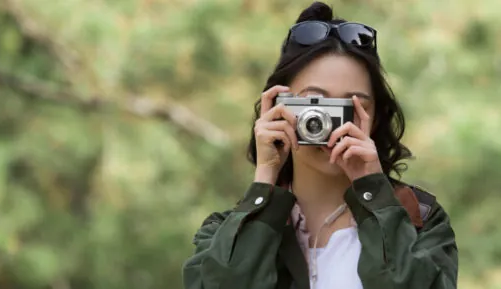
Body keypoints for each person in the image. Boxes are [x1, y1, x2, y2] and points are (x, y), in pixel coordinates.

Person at [182, 2, 458, 289]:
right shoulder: (225, 233)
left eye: (351, 107)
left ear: (375, 118)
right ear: (277, 107)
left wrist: (373, 193)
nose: (328, 125)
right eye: (315, 104)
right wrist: (265, 178)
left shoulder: (418, 219)